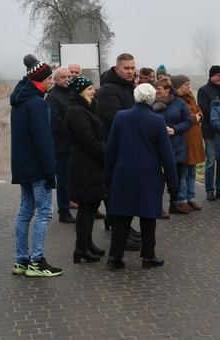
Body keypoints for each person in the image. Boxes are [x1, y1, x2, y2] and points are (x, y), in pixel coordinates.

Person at [104, 83, 178, 271]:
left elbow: (110, 149)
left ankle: (114, 257)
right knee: (148, 216)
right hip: (149, 174)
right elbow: (166, 154)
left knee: (121, 216)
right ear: (152, 98)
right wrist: (173, 183)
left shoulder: (121, 117)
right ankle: (148, 256)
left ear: (135, 97)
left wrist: (108, 175)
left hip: (123, 173)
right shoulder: (157, 121)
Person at [10, 55, 62, 277]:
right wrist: (50, 171)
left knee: (24, 213)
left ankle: (21, 260)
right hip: (38, 167)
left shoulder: (19, 101)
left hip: (23, 166)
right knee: (45, 213)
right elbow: (43, 141)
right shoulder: (37, 103)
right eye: (50, 78)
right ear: (40, 80)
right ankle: (37, 262)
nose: (52, 81)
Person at [96, 53, 143, 245]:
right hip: (115, 147)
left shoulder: (129, 87)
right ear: (117, 69)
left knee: (127, 191)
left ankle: (124, 227)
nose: (131, 72)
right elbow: (110, 115)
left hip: (130, 146)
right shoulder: (109, 89)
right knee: (115, 190)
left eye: (133, 68)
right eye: (127, 68)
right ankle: (119, 232)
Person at [65, 76, 105, 264]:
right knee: (85, 207)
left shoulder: (85, 108)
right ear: (80, 91)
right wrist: (105, 154)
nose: (93, 91)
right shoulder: (77, 111)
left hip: (90, 165)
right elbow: (88, 140)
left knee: (91, 206)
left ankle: (88, 243)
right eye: (89, 88)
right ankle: (80, 248)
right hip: (84, 165)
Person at [152, 76, 192, 215]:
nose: (156, 91)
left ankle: (174, 204)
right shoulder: (152, 104)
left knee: (175, 177)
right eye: (155, 88)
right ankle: (158, 207)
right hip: (158, 147)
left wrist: (174, 129)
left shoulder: (179, 104)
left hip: (177, 146)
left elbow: (188, 121)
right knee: (159, 179)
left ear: (168, 90)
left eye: (159, 89)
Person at [170, 74, 205, 212]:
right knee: (183, 172)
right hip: (185, 140)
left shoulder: (191, 97)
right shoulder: (175, 100)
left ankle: (191, 198)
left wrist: (199, 116)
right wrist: (194, 117)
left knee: (192, 172)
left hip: (195, 140)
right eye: (186, 84)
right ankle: (182, 199)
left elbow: (199, 110)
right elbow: (179, 115)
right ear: (178, 86)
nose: (189, 87)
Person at [45, 66, 74, 223]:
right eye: (63, 77)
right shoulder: (52, 97)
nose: (67, 79)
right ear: (55, 80)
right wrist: (74, 132)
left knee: (75, 177)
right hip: (61, 146)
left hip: (75, 144)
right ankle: (64, 211)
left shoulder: (73, 93)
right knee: (63, 179)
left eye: (68, 76)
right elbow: (56, 122)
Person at [197, 65, 220, 201]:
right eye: (217, 76)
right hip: (210, 132)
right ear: (211, 76)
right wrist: (219, 108)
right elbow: (204, 108)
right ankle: (209, 190)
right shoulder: (203, 91)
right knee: (211, 162)